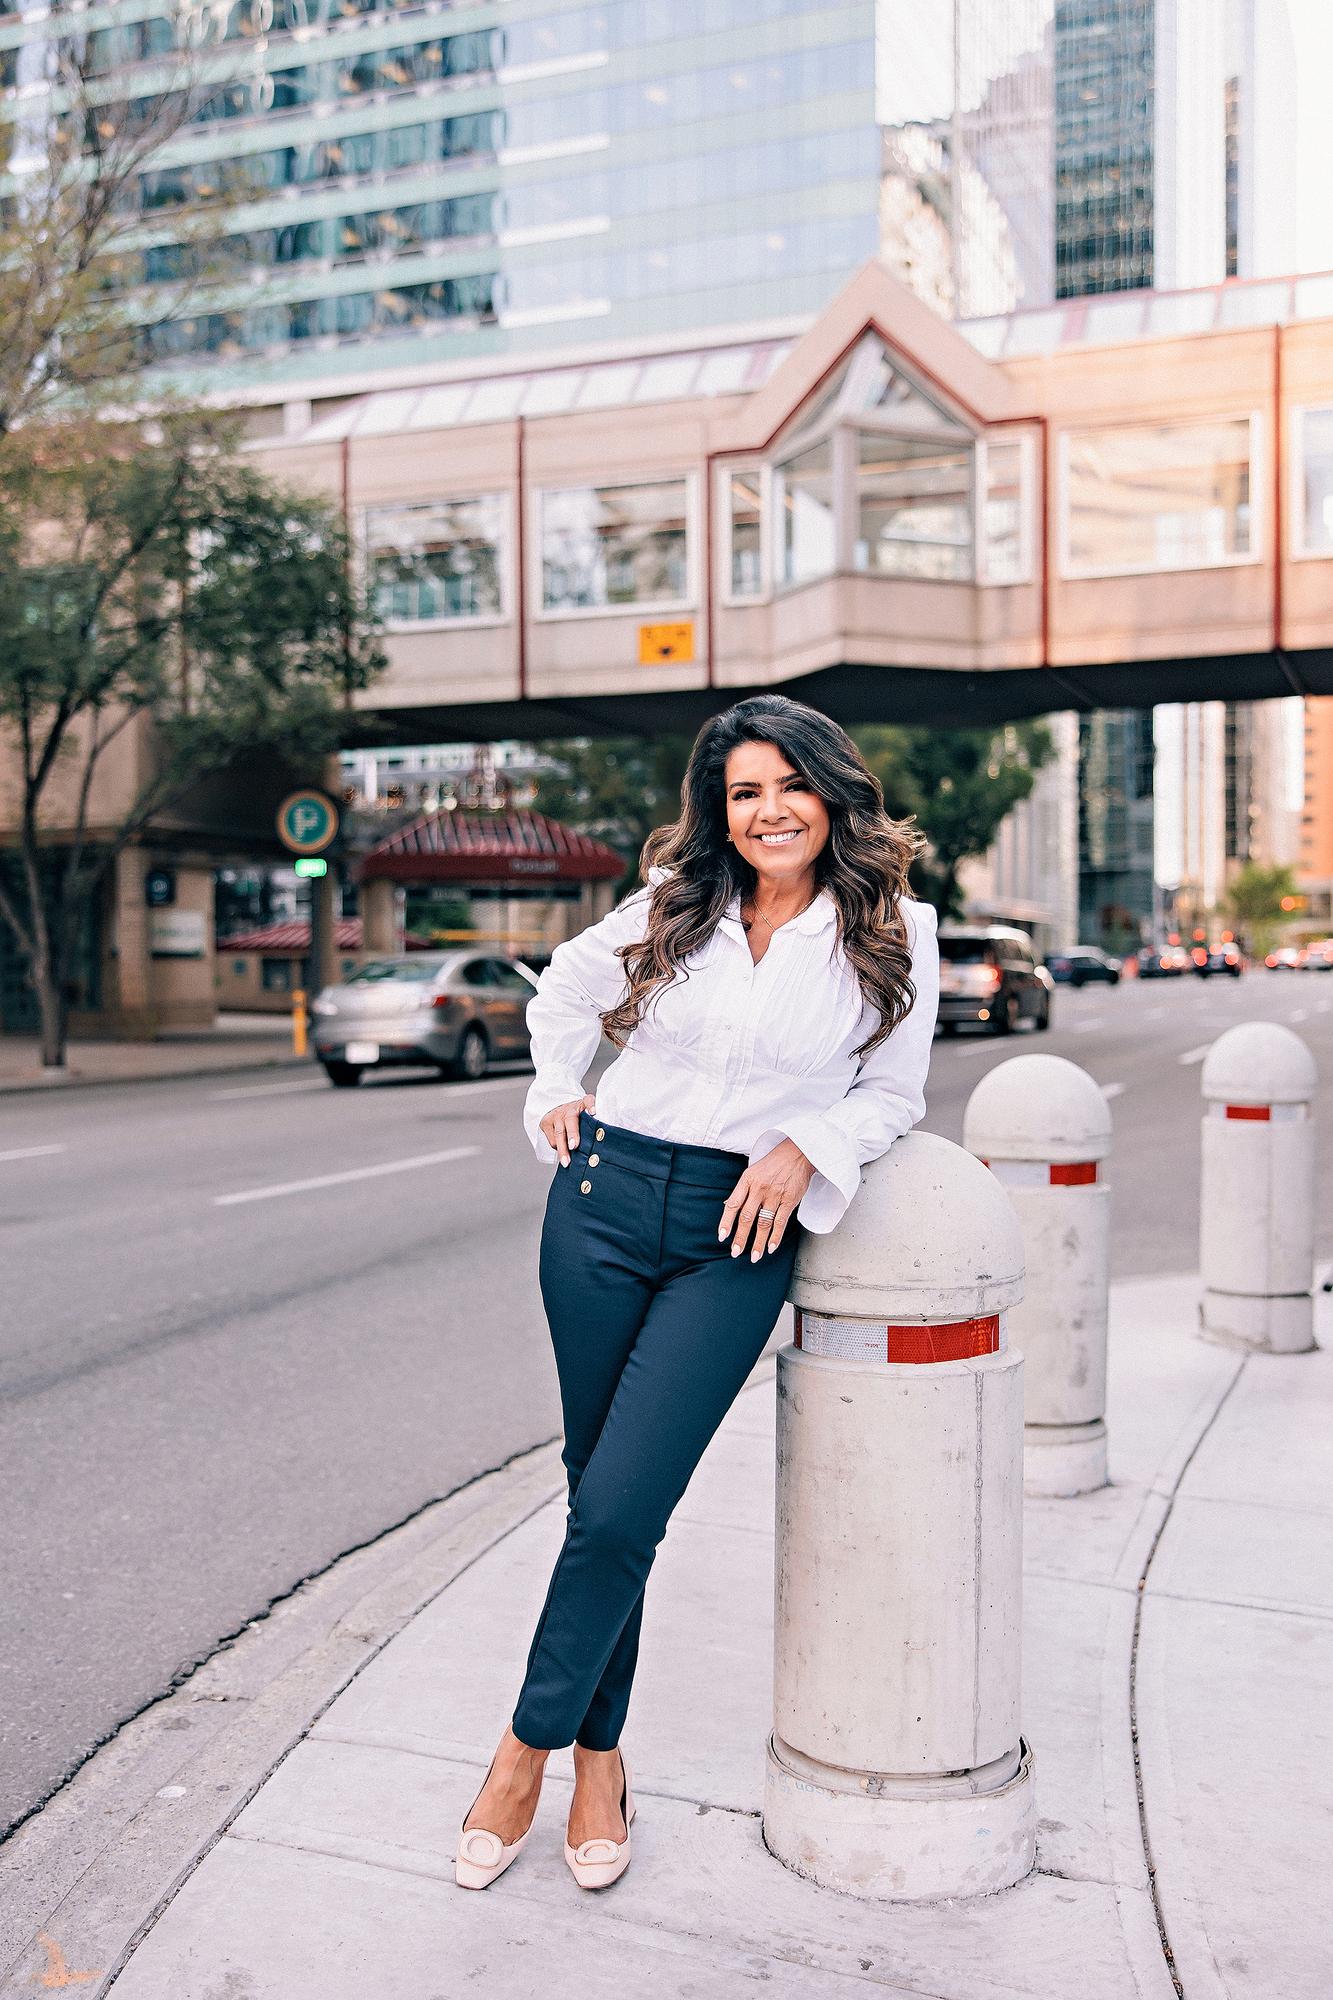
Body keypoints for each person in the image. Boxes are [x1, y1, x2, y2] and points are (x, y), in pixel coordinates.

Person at [454, 693, 939, 1892]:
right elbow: (559, 996)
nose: (767, 810)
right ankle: (602, 1759)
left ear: (830, 792)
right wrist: (552, 1092)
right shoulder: (676, 904)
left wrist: (808, 1145)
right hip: (602, 1205)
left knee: (620, 1507)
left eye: (787, 785)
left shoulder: (894, 928)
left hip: (737, 1229)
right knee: (596, 1503)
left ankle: (525, 1750)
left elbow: (893, 1093)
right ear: (719, 810)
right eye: (742, 792)